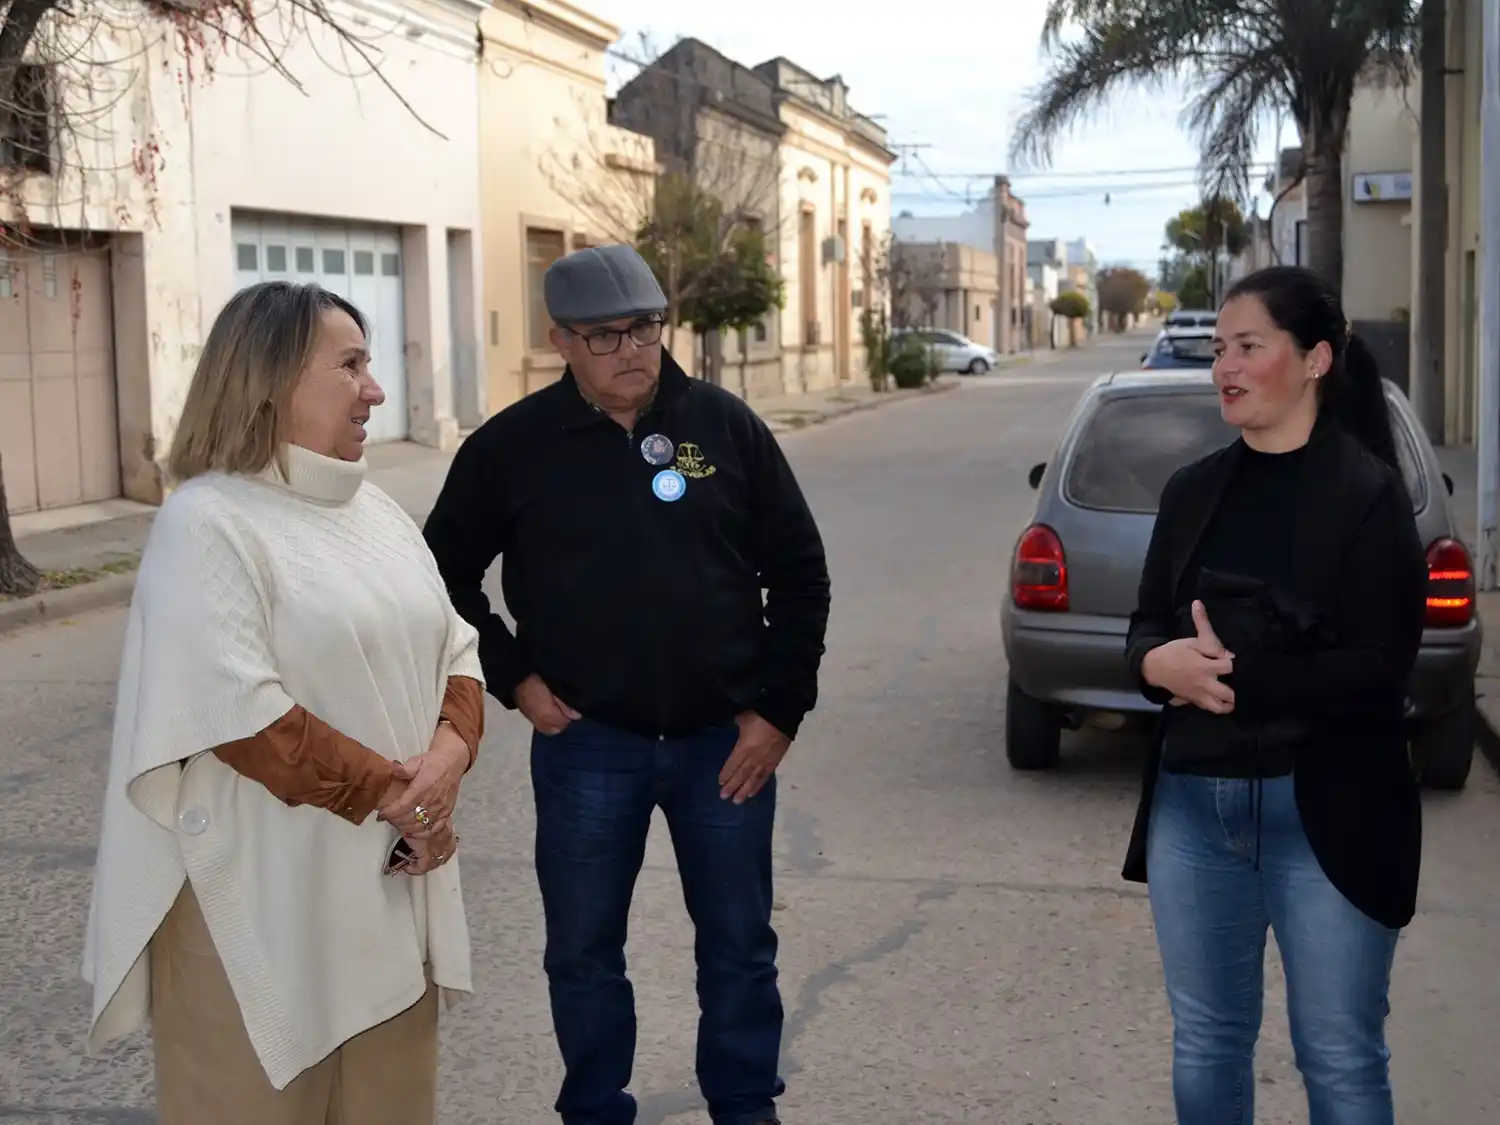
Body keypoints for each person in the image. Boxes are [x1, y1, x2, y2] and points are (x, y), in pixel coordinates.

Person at [424, 243, 831, 1125]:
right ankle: (596, 1108)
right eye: (604, 336)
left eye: (645, 326)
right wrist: (514, 677)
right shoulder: (512, 448)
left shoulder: (723, 428)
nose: (632, 350)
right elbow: (440, 574)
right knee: (582, 949)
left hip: (724, 741)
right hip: (587, 744)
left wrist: (778, 712)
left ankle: (744, 1106)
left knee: (738, 946)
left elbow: (800, 573)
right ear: (559, 340)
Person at [82, 281, 486, 1125]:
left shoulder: (373, 509)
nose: (375, 388)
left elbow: (457, 645)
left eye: (369, 364)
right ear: (269, 380)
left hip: (386, 892)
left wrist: (443, 766)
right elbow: (241, 714)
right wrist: (401, 800)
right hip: (258, 910)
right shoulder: (208, 522)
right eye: (350, 365)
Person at [1122, 265, 1428, 1125]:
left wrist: (1232, 673)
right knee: (1207, 1041)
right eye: (1220, 349)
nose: (1226, 366)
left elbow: (1379, 670)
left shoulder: (1368, 497)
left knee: (1338, 1057)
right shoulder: (1191, 492)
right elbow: (1144, 630)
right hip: (1194, 810)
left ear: (1316, 359)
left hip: (1327, 811)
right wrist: (1158, 667)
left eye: (1249, 347)